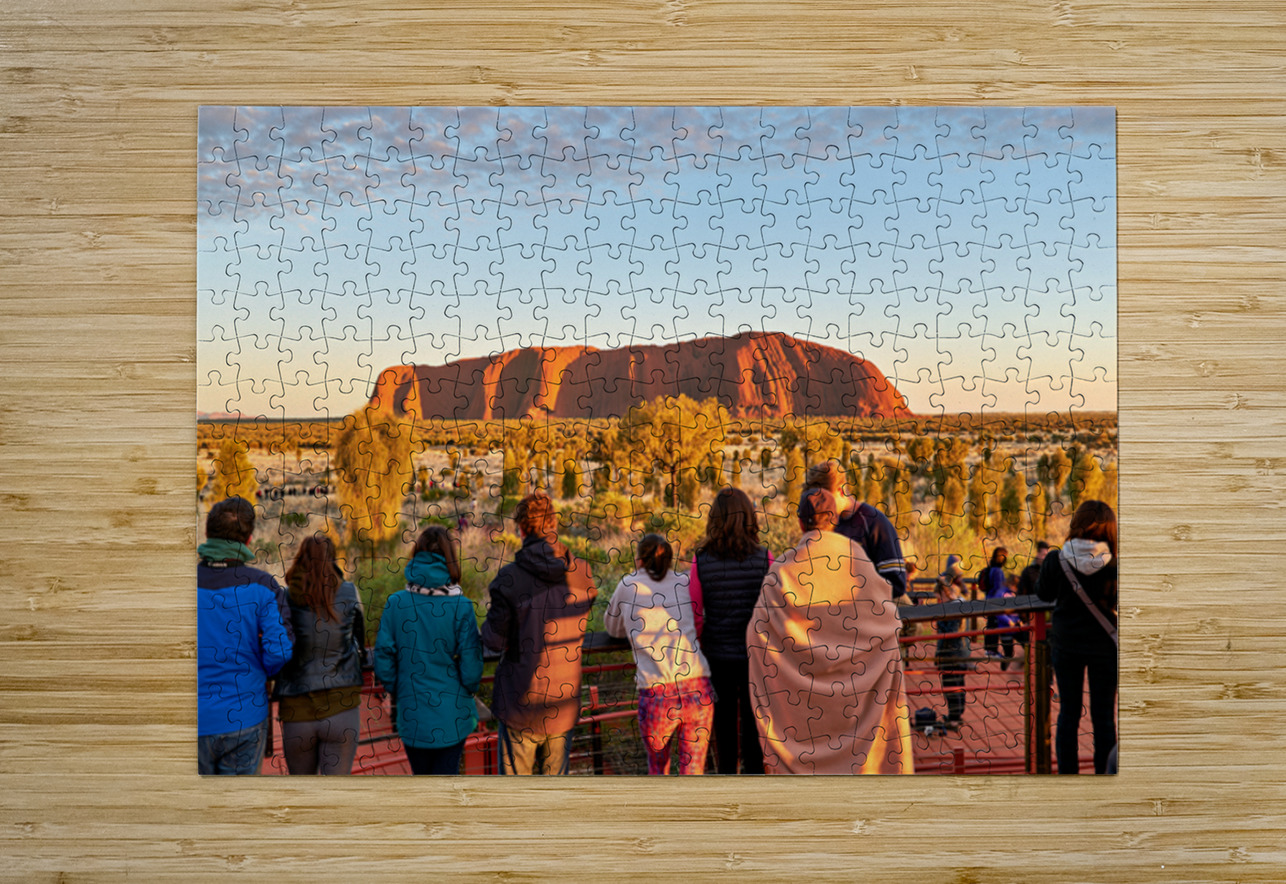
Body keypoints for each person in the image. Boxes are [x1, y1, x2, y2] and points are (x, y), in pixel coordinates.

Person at [747, 488, 914, 774]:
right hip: (858, 707)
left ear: (800, 522)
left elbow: (756, 635)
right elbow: (887, 618)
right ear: (835, 519)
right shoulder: (857, 559)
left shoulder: (782, 570)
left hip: (803, 718)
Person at [482, 492, 597, 775]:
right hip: (564, 701)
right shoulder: (583, 573)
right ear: (553, 524)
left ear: (521, 529)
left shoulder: (508, 580)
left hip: (521, 703)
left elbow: (493, 641)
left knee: (515, 802)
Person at [374, 526, 484, 775]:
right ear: (450, 558)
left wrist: (399, 687)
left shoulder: (395, 604)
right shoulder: (462, 607)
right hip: (452, 714)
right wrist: (467, 688)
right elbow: (471, 669)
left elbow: (383, 657)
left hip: (413, 715)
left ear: (416, 554)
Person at [197, 496, 294, 775]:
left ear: (207, 533)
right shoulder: (263, 587)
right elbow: (280, 650)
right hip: (244, 716)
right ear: (249, 540)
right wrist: (260, 670)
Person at [605, 534, 714, 775]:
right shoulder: (685, 582)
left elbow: (612, 628)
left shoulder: (628, 584)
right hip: (697, 686)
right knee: (693, 773)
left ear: (639, 560)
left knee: (657, 769)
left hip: (657, 694)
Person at [690, 487, 773, 774]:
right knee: (754, 733)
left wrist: (702, 646)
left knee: (723, 731)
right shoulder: (765, 559)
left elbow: (697, 615)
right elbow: (773, 611)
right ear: (749, 517)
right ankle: (756, 796)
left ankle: (727, 792)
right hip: (756, 659)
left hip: (718, 658)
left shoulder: (700, 560)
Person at [1036, 500, 1118, 774]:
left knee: (1068, 713)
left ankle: (1068, 775)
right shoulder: (1116, 564)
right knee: (1104, 717)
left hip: (1066, 645)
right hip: (1105, 647)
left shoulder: (1055, 560)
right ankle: (1105, 775)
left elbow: (1044, 595)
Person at [272, 534, 366, 775]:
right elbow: (360, 642)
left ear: (300, 558)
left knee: (303, 794)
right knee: (336, 796)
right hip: (341, 707)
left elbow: (277, 646)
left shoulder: (283, 597)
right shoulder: (349, 592)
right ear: (333, 560)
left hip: (296, 710)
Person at [803, 460, 908, 599]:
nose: (823, 506)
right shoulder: (824, 525)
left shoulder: (875, 523)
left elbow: (897, 583)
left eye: (827, 498)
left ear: (841, 490)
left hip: (874, 613)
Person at [934, 555, 969, 725]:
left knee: (951, 685)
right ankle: (958, 715)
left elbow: (949, 633)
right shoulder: (960, 602)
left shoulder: (951, 608)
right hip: (960, 652)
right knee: (959, 683)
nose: (937, 600)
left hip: (951, 653)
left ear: (945, 593)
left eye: (939, 597)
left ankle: (954, 717)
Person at [978, 546, 1014, 666]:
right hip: (996, 602)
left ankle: (990, 649)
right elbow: (998, 588)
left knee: (991, 625)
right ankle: (992, 650)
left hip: (989, 599)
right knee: (995, 625)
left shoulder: (991, 569)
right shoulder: (998, 571)